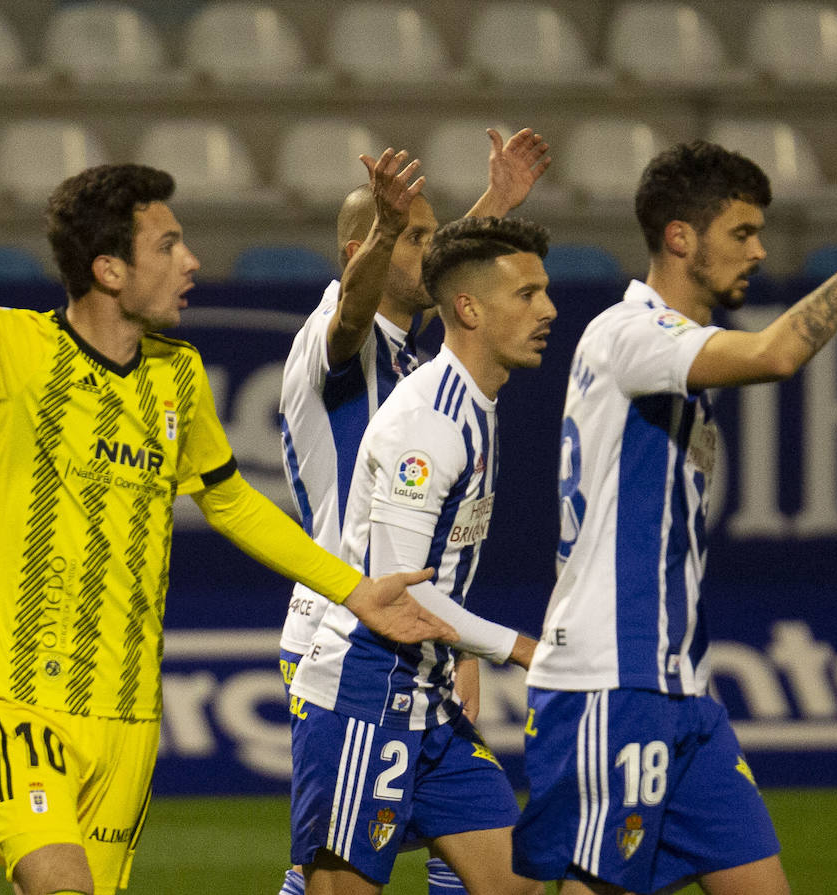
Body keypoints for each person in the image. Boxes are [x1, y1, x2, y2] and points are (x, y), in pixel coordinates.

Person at [0, 52, 454, 895]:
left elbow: (231, 501)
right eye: (169, 244)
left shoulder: (178, 375)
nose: (192, 260)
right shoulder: (9, 355)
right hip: (20, 691)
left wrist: (352, 588)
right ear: (110, 269)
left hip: (128, 708)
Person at [512, 140, 837, 895]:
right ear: (682, 238)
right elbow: (776, 354)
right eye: (742, 233)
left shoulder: (670, 350)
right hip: (611, 678)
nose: (757, 252)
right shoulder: (631, 336)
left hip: (682, 688)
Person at [277, 133, 550, 895]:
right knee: (332, 868)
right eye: (413, 236)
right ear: (363, 247)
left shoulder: (422, 363)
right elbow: (356, 308)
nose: (427, 249)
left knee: (490, 868)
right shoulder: (333, 335)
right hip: (349, 627)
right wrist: (389, 233)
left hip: (419, 631)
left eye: (432, 236)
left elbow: (455, 285)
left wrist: (495, 206)